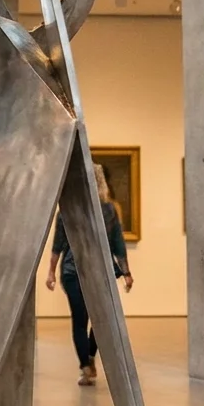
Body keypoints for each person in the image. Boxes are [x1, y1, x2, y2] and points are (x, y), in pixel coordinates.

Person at [45, 163, 132, 387]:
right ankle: (86, 365)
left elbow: (117, 243)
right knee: (91, 318)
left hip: (83, 271)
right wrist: (50, 272)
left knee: (92, 319)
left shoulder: (106, 210)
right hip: (79, 272)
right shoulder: (71, 210)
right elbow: (58, 244)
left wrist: (52, 272)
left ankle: (88, 359)